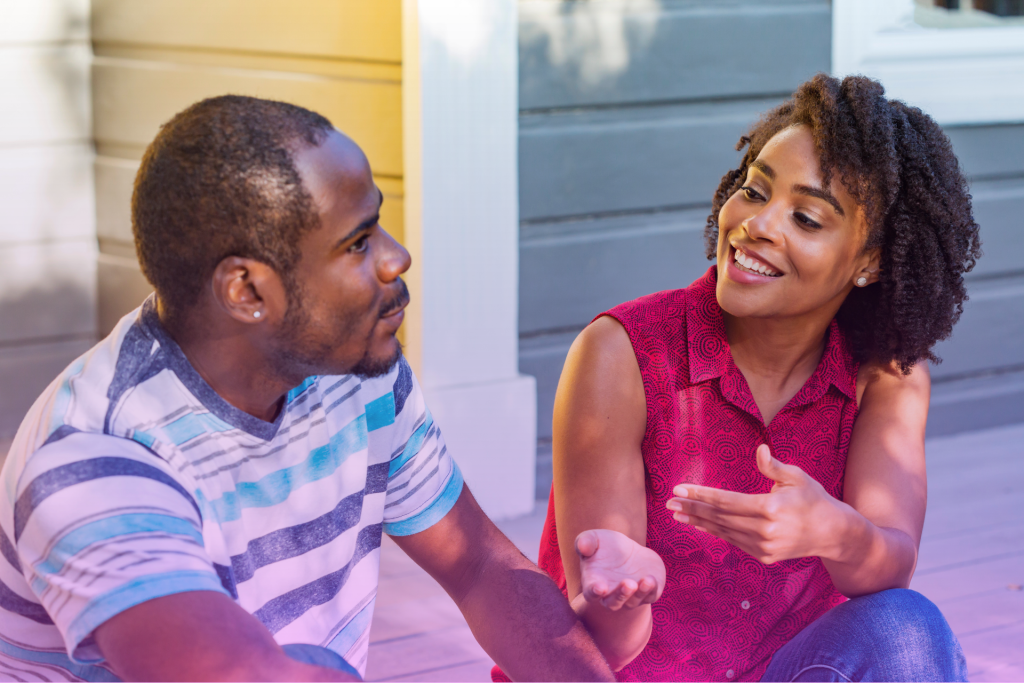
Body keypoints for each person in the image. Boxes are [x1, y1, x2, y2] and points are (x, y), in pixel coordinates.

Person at [0, 96, 617, 682]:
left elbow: (481, 570)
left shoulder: (352, 372)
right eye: (358, 242)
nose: (396, 257)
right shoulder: (94, 459)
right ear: (246, 291)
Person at [508, 74, 980, 682]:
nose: (758, 224)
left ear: (869, 263)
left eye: (807, 219)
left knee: (906, 627)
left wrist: (836, 532)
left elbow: (889, 571)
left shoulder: (883, 379)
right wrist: (624, 593)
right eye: (755, 191)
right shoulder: (623, 353)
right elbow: (602, 649)